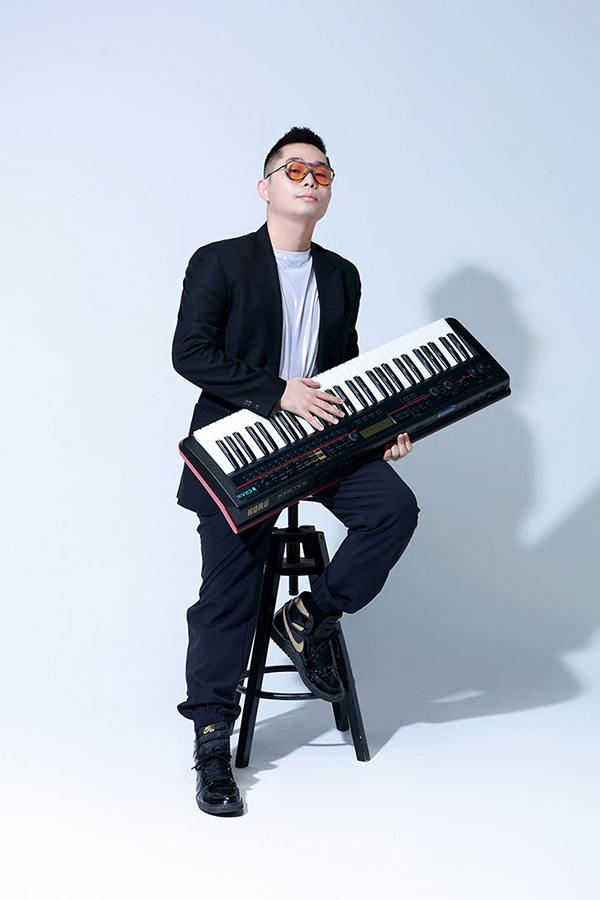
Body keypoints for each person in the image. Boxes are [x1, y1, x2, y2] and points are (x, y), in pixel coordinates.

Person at [172, 126, 419, 816]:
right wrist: (276, 391)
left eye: (322, 173)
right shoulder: (219, 262)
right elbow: (190, 352)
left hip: (321, 437)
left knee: (392, 510)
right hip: (240, 443)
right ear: (266, 186)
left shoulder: (342, 275)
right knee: (227, 597)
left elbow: (346, 364)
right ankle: (213, 745)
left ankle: (311, 613)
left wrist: (381, 426)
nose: (311, 181)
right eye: (295, 170)